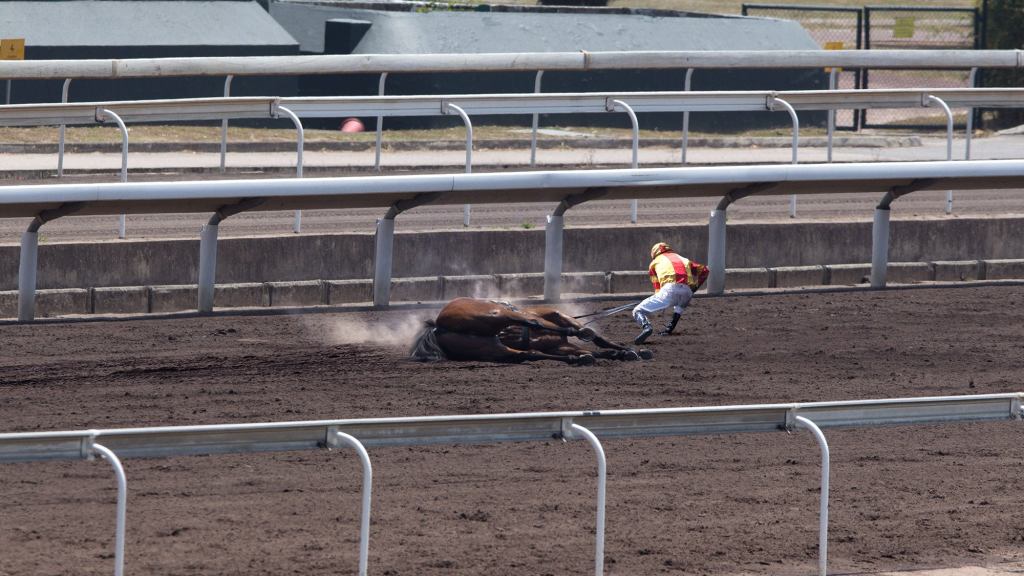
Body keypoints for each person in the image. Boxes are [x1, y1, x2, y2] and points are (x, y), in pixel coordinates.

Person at [632, 242, 709, 345]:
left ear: (654, 253)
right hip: (687, 291)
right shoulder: (684, 259)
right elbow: (705, 270)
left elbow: (658, 289)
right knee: (679, 307)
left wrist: (660, 305)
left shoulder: (654, 263)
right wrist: (695, 287)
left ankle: (647, 328)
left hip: (670, 290)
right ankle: (669, 328)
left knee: (637, 310)